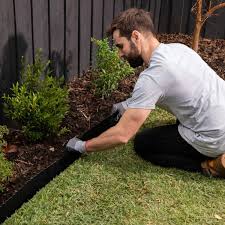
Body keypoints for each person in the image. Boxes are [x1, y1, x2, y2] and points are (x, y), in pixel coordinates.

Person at [66, 8, 225, 178]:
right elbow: (167, 88)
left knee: (144, 143)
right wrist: (127, 105)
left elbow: (122, 135)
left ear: (136, 36)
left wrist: (83, 146)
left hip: (214, 138)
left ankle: (211, 166)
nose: (120, 54)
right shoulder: (178, 49)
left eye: (121, 46)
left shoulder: (154, 76)